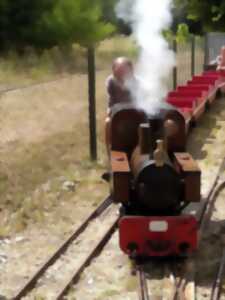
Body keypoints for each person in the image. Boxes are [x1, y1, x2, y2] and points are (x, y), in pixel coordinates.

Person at [105, 57, 136, 153]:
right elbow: (112, 100)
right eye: (117, 70)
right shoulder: (111, 81)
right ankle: (110, 150)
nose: (120, 72)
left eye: (123, 70)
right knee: (108, 123)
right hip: (116, 111)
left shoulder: (137, 82)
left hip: (134, 111)